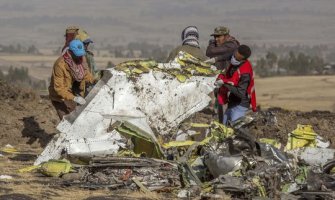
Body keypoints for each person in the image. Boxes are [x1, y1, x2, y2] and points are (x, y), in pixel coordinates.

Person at [49, 39, 95, 120]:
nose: (79, 57)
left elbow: (86, 74)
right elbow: (59, 88)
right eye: (77, 55)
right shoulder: (60, 65)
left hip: (70, 92)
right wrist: (74, 98)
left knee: (77, 117)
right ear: (70, 52)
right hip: (59, 97)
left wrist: (95, 81)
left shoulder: (79, 60)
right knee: (68, 121)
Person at [214, 45, 257, 125]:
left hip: (240, 106)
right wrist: (215, 59)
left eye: (236, 57)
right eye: (234, 54)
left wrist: (224, 83)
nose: (233, 57)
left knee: (235, 130)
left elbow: (240, 93)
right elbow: (227, 56)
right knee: (224, 127)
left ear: (242, 58)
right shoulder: (236, 62)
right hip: (232, 103)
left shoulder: (245, 72)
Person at [205, 26, 240, 123]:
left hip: (230, 85)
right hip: (222, 84)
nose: (216, 39)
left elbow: (210, 51)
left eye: (218, 37)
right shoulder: (222, 46)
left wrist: (211, 43)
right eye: (215, 37)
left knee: (230, 114)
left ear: (226, 36)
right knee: (222, 114)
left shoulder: (232, 45)